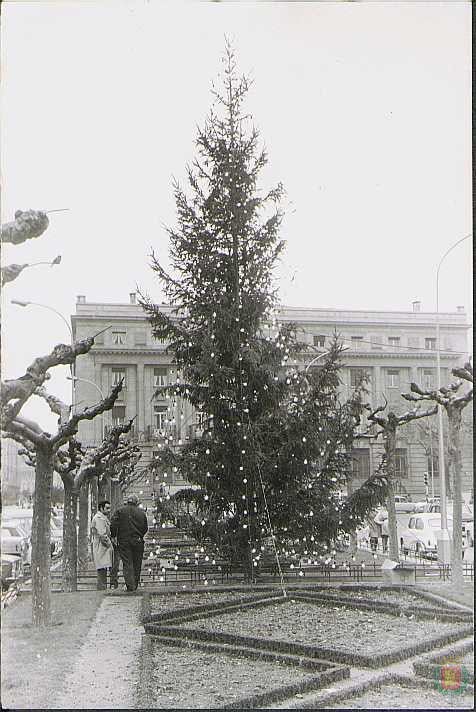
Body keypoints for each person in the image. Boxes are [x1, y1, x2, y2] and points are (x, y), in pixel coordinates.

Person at [110, 494, 148, 592]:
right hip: (138, 541)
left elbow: (113, 525)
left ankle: (130, 586)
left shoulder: (120, 511)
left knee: (127, 563)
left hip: (124, 541)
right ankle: (134, 584)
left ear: (127, 501)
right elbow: (145, 528)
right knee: (137, 563)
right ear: (136, 502)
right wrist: (139, 536)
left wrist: (114, 535)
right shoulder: (141, 513)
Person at [91, 500, 114, 590]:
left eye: (109, 508)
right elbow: (102, 534)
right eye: (107, 508)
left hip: (102, 547)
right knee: (101, 568)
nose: (109, 510)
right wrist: (110, 545)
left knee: (103, 568)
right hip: (101, 546)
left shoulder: (102, 517)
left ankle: (102, 587)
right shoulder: (99, 518)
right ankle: (101, 588)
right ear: (101, 508)